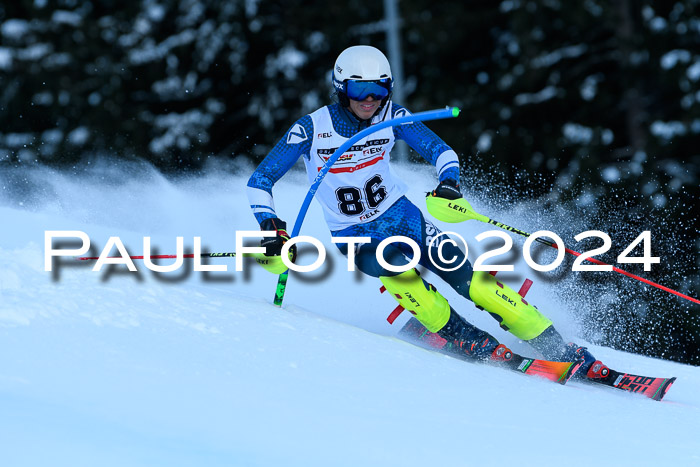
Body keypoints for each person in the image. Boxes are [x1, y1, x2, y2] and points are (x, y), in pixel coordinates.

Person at [247, 45, 608, 379]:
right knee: (404, 279)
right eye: (360, 91)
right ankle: (467, 338)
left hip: (403, 216)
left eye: (380, 88)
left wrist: (448, 183)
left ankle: (558, 347)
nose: (371, 100)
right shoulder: (311, 129)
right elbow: (260, 180)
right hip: (356, 235)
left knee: (475, 282)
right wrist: (271, 227)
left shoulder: (392, 116)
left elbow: (443, 152)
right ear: (341, 88)